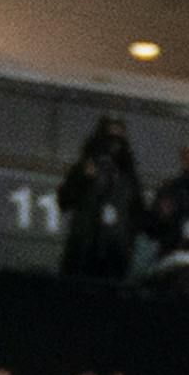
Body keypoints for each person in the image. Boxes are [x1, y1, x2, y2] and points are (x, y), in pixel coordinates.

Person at [58, 115, 141, 280]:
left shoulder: (127, 176)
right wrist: (84, 178)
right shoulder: (85, 167)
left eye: (119, 140)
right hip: (84, 251)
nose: (114, 145)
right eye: (110, 139)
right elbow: (64, 200)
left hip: (115, 255)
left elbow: (138, 213)